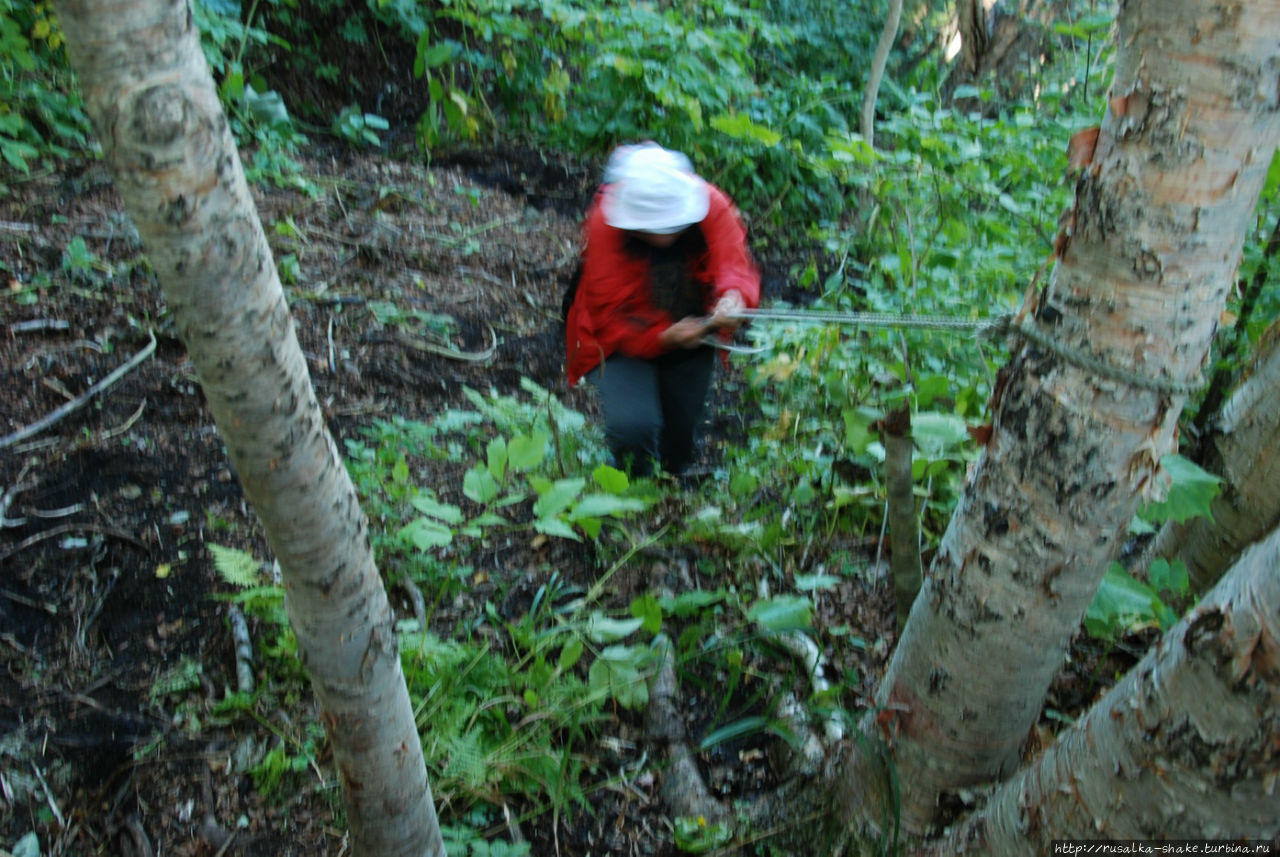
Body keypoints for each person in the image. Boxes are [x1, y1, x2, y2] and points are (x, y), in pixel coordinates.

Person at [564, 143, 761, 476]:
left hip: (696, 331)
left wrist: (733, 297)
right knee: (631, 427)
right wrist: (663, 337)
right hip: (620, 342)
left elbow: (733, 262)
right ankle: (633, 488)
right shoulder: (604, 223)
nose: (664, 234)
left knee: (680, 432)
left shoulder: (711, 204)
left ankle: (671, 485)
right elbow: (609, 314)